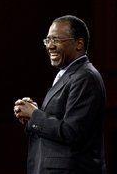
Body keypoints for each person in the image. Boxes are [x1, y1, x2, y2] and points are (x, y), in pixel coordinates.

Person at [14, 15, 107, 174]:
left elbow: (72, 132)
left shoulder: (85, 77)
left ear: (79, 44)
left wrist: (35, 115)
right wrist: (32, 114)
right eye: (48, 40)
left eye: (56, 40)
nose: (50, 46)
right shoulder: (69, 74)